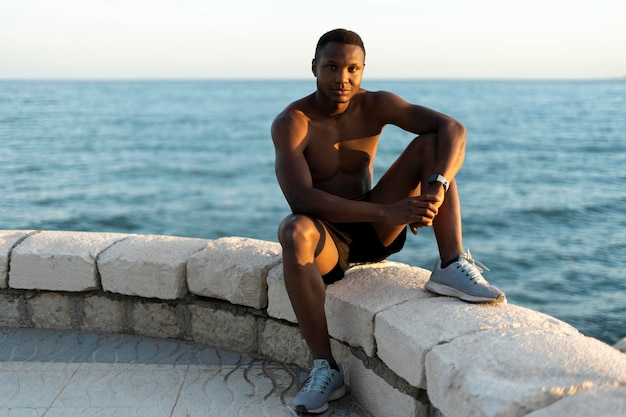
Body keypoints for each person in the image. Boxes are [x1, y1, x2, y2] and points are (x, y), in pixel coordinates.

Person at [271, 28, 506, 414]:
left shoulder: (376, 105)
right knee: (292, 229)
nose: (341, 79)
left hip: (375, 230)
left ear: (363, 70)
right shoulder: (292, 122)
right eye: (331, 67)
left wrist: (437, 188)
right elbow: (301, 198)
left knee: (433, 146)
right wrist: (389, 212)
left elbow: (454, 129)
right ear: (314, 67)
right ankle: (325, 368)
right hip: (328, 240)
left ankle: (450, 264)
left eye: (352, 69)